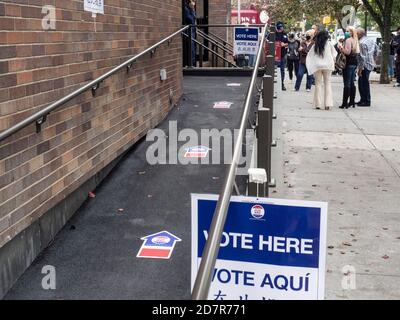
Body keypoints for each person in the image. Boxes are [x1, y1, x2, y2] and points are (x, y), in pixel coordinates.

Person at [306, 30, 337, 110]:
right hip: (328, 66)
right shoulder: (329, 44)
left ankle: (318, 104)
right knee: (328, 84)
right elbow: (335, 54)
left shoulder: (315, 45)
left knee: (318, 84)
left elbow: (310, 56)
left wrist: (310, 65)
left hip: (317, 66)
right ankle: (328, 104)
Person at [338, 26, 360, 109]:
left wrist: (341, 47)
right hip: (354, 62)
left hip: (348, 63)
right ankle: (352, 101)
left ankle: (344, 103)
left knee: (347, 83)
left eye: (347, 31)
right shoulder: (355, 40)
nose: (346, 32)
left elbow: (347, 52)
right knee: (351, 82)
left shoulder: (348, 40)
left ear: (351, 32)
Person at [357, 28, 378, 107]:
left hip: (364, 65)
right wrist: (373, 59)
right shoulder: (370, 40)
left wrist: (360, 68)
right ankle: (363, 99)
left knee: (363, 83)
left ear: (360, 34)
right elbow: (377, 50)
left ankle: (366, 101)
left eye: (356, 34)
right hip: (369, 64)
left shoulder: (361, 43)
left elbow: (362, 57)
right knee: (362, 83)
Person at [275, 22, 289, 91]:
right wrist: (278, 44)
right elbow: (267, 42)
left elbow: (287, 43)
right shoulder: (273, 34)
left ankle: (282, 84)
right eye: (281, 27)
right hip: (274, 56)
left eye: (282, 27)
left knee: (282, 70)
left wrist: (284, 44)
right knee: (274, 70)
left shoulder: (284, 34)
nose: (282, 28)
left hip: (282, 55)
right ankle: (274, 84)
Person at [184, 0, 197, 67]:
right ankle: (190, 64)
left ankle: (193, 64)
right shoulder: (186, 9)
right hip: (189, 32)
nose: (194, 3)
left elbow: (194, 18)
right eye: (192, 1)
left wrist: (192, 9)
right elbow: (191, 20)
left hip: (193, 31)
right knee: (191, 49)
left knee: (193, 48)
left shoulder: (190, 9)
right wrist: (192, 9)